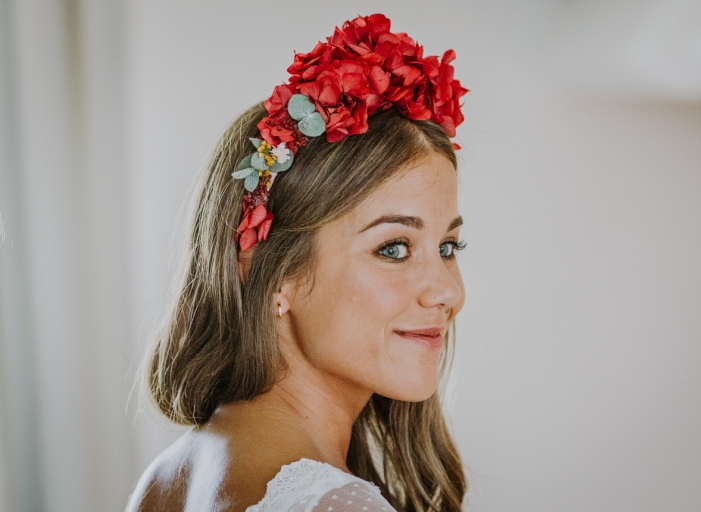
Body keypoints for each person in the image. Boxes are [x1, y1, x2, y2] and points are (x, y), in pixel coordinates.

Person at [126, 13, 469, 512]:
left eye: (448, 247)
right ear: (274, 274)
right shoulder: (337, 505)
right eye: (393, 248)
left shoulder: (165, 480)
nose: (449, 292)